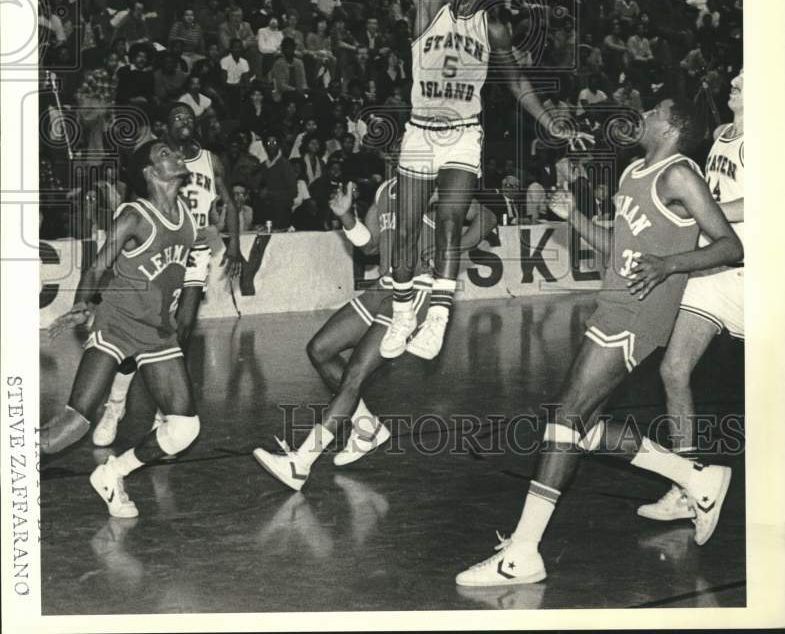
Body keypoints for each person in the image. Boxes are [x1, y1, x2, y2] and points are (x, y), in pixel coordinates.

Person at [455, 96, 743, 588]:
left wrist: (669, 265)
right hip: (614, 304)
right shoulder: (635, 172)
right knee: (581, 428)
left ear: (672, 127)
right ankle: (697, 478)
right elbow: (619, 247)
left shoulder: (680, 174)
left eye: (654, 111)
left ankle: (523, 553)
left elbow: (730, 244)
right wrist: (572, 216)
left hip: (640, 312)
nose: (643, 116)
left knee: (566, 418)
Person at [379, 0, 583, 363]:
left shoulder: (493, 32)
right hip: (420, 131)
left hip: (464, 135)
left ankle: (439, 318)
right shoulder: (429, 8)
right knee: (403, 233)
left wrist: (551, 122)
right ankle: (405, 310)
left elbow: (517, 85)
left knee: (450, 220)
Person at [252, 175, 496, 490]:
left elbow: (486, 217)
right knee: (321, 349)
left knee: (354, 375)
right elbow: (370, 246)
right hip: (383, 288)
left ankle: (301, 463)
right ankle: (367, 429)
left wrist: (449, 247)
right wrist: (345, 216)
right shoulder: (385, 189)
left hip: (418, 290)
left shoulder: (436, 187)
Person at [41, 141, 200, 518]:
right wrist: (83, 304)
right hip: (117, 324)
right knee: (73, 425)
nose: (176, 155)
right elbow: (98, 267)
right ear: (148, 171)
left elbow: (179, 278)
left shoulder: (189, 218)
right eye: (165, 153)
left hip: (157, 331)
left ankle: (112, 474)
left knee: (183, 430)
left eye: (174, 152)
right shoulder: (135, 214)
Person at [91, 104, 242, 446]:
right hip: (158, 249)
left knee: (183, 327)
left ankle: (166, 413)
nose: (184, 121)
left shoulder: (211, 160)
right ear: (165, 127)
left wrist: (234, 246)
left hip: (196, 249)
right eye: (176, 116)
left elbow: (229, 201)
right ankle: (115, 405)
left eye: (189, 116)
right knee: (139, 330)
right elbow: (135, 202)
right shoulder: (155, 159)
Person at [638, 71, 744, 523]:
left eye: (745, 78)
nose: (735, 79)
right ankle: (688, 482)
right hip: (715, 271)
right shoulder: (723, 135)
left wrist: (703, 212)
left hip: (758, 277)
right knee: (674, 370)